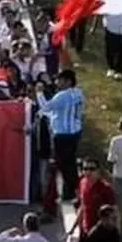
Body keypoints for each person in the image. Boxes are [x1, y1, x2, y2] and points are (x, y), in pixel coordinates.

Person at [36, 69, 84, 202]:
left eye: (60, 80)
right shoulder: (78, 93)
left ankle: (72, 190)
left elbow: (46, 107)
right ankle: (72, 189)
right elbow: (58, 112)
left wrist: (39, 93)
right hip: (75, 131)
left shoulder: (62, 95)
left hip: (63, 134)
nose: (57, 82)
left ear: (68, 81)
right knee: (70, 162)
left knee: (63, 163)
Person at [76, 159, 117, 242]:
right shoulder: (82, 183)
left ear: (98, 171)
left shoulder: (106, 188)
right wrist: (75, 227)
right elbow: (83, 206)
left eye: (92, 169)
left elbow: (114, 212)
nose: (88, 172)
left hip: (101, 234)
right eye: (85, 169)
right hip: (85, 231)